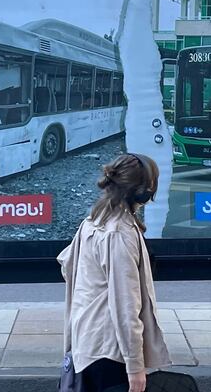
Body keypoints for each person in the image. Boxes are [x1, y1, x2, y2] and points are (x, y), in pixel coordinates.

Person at [58, 153, 170, 392]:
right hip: (110, 351)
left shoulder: (93, 220)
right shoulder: (119, 232)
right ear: (142, 190)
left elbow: (68, 266)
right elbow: (125, 304)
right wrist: (135, 366)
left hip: (88, 343)